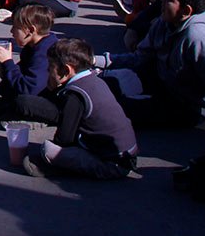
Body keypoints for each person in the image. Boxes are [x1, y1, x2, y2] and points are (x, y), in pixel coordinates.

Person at [99, 0, 205, 128]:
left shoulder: (200, 37)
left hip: (191, 108)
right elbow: (139, 58)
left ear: (186, 11)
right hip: (167, 87)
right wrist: (95, 61)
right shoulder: (164, 23)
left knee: (111, 110)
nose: (162, 2)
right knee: (101, 85)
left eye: (169, 0)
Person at [22, 38, 139, 180]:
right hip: (125, 154)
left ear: (66, 69)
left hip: (111, 164)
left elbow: (64, 139)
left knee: (48, 149)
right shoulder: (94, 80)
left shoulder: (75, 95)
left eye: (50, 67)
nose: (48, 71)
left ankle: (62, 169)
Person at [0, 4, 58, 123]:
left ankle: (37, 121)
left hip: (54, 103)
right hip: (37, 94)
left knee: (21, 102)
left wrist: (8, 62)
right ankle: (13, 111)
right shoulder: (32, 47)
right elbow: (20, 76)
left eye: (15, 27)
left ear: (30, 30)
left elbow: (29, 89)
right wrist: (1, 63)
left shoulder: (45, 52)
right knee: (5, 88)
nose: (11, 31)